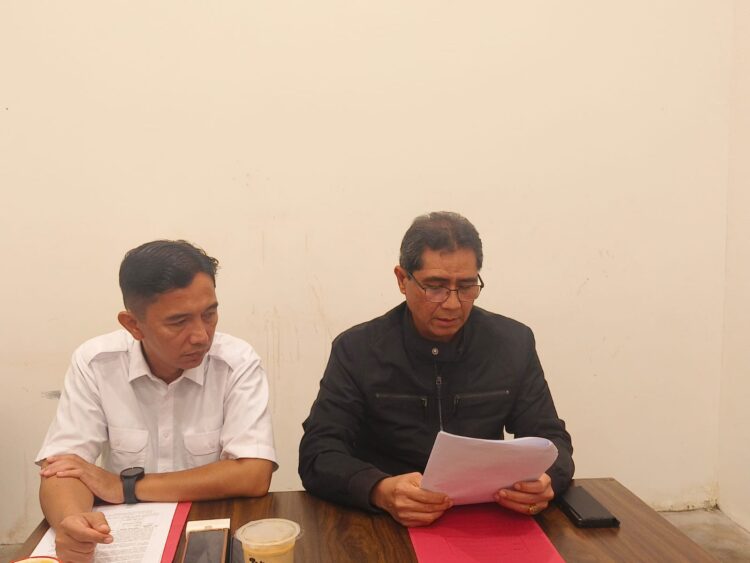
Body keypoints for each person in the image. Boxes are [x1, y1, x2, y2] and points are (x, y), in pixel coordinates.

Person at [299, 211, 573, 527]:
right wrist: (379, 490)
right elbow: (318, 453)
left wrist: (546, 480)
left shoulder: (512, 343)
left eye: (466, 286)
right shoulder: (357, 350)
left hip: (487, 515)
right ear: (402, 280)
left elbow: (550, 439)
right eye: (435, 286)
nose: (453, 304)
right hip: (388, 522)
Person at [36, 240, 276, 562]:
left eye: (209, 314)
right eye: (179, 322)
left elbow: (253, 474)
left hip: (210, 535)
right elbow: (62, 469)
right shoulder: (96, 363)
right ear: (133, 325)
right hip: (126, 538)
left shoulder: (237, 362)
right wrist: (73, 523)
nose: (201, 336)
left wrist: (126, 487)